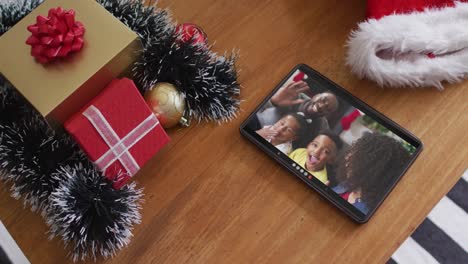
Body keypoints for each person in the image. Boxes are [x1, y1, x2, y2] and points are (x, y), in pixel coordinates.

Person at [332, 133, 411, 215]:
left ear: (376, 169)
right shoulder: (347, 185)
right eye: (352, 152)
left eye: (356, 157)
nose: (347, 157)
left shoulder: (367, 212)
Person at [256, 80, 339, 128]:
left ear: (327, 114)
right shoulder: (293, 95)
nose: (321, 106)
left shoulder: (321, 126)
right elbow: (255, 107)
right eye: (323, 100)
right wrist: (273, 102)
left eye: (327, 109)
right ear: (315, 96)